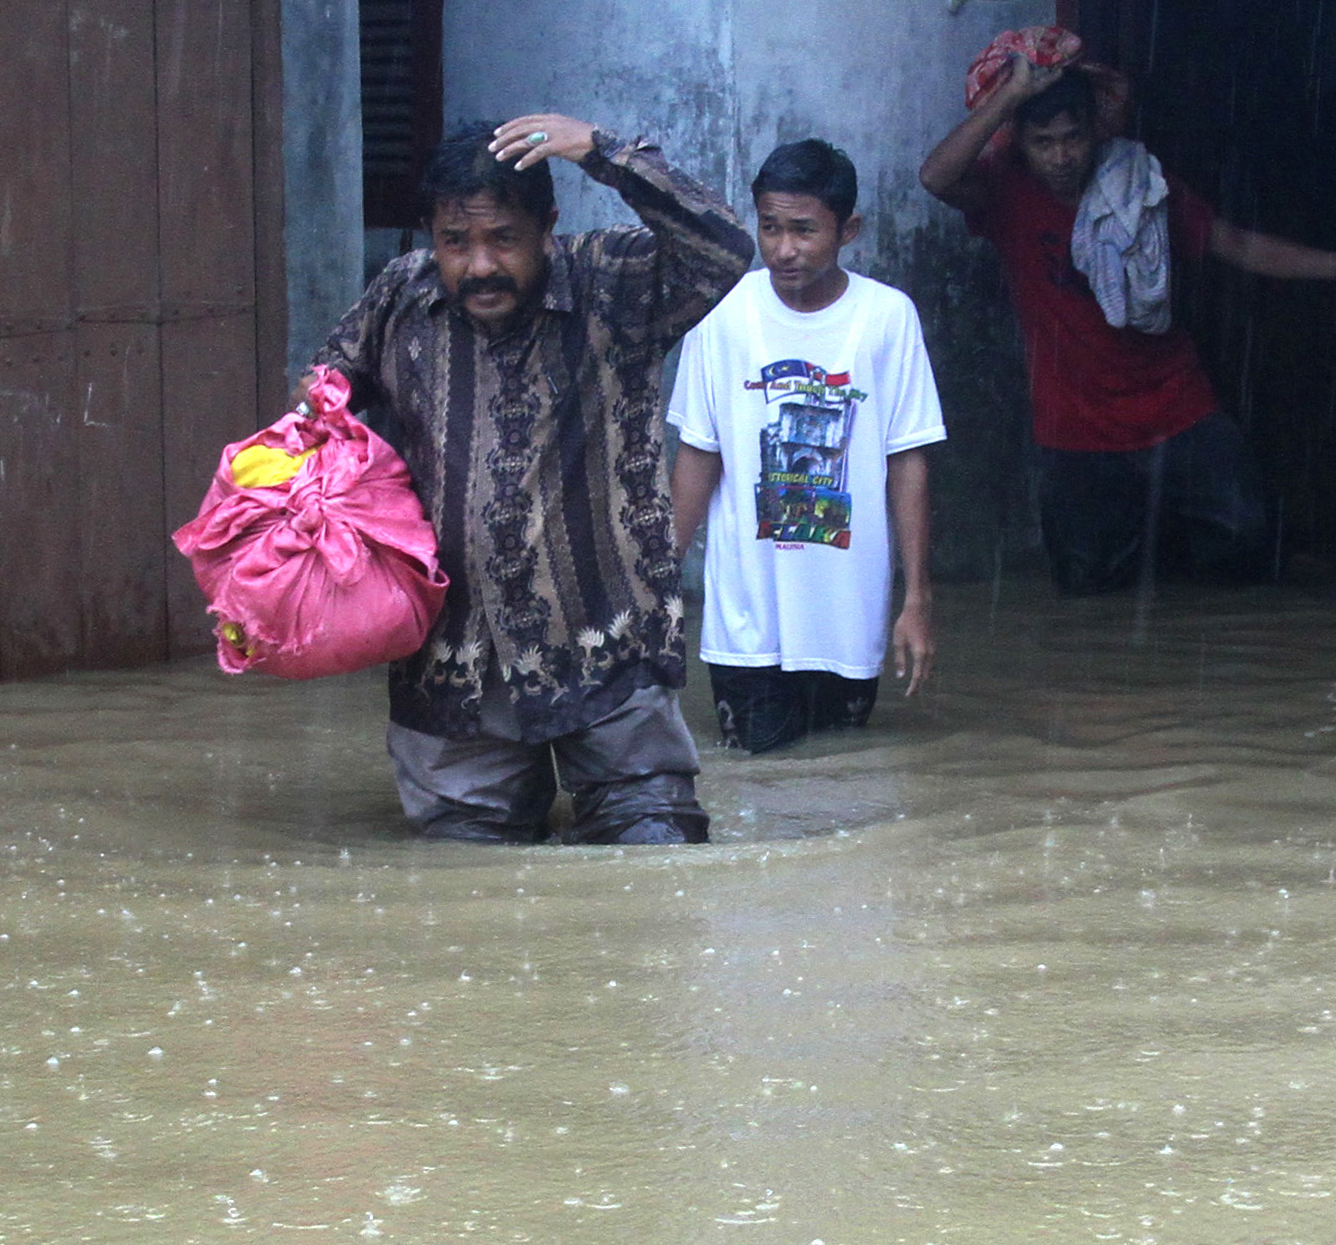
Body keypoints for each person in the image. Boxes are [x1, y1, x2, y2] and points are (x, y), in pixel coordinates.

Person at [315, 114, 752, 842]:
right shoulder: (401, 296)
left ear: (547, 227)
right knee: (464, 875)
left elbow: (724, 248)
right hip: (453, 666)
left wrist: (605, 153)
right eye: (456, 242)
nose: (480, 265)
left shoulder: (614, 281)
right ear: (430, 237)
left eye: (503, 238)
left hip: (607, 647)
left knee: (656, 849)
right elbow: (325, 389)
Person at [919, 46, 1336, 594]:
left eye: (1072, 138)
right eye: (1043, 142)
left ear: (1095, 133)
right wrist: (1011, 95)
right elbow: (935, 177)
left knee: (1246, 544)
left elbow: (1235, 244)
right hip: (1074, 426)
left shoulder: (1139, 185)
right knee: (1085, 589)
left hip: (1176, 405)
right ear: (1020, 144)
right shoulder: (1007, 191)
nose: (1060, 157)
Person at [667, 140, 947, 754]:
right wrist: (658, 585)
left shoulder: (887, 317)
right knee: (758, 766)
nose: (783, 249)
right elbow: (698, 455)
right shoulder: (721, 314)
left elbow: (907, 462)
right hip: (747, 622)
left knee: (838, 771)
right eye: (770, 227)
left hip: (848, 615)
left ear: (848, 230)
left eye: (803, 230)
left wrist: (917, 599)